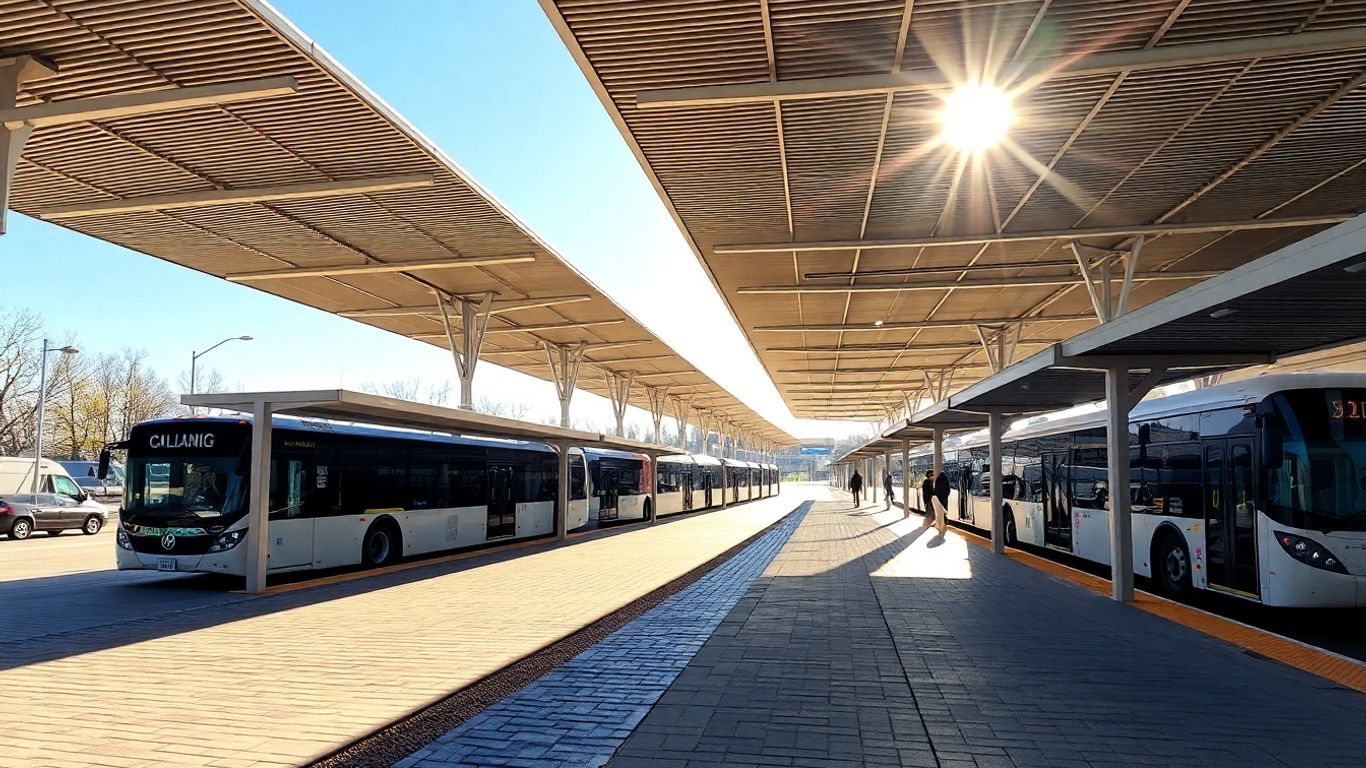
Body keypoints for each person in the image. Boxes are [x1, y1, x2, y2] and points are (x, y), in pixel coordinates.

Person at [933, 469, 951, 534]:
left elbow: (936, 489)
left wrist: (936, 496)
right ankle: (945, 520)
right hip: (945, 498)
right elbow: (948, 489)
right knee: (944, 509)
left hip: (939, 498)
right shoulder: (946, 479)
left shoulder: (938, 480)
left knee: (940, 510)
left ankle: (941, 522)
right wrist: (946, 495)